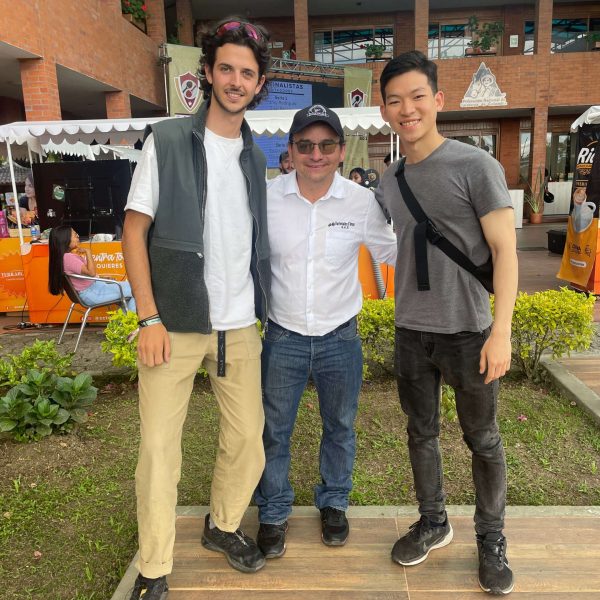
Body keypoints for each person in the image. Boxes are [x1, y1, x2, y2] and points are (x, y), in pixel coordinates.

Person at [121, 17, 272, 600]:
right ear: (207, 73)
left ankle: (223, 524)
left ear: (259, 85)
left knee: (248, 440)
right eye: (227, 68)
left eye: (248, 73)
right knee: (160, 449)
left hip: (239, 325)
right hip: (174, 326)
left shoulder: (257, 159)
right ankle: (155, 566)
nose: (236, 81)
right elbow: (135, 233)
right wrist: (148, 317)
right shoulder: (166, 142)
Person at [376, 51, 518, 595]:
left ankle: (492, 538)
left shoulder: (475, 166)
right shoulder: (390, 179)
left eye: (417, 97)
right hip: (412, 329)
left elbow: (505, 252)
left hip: (468, 331)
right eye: (395, 100)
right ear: (386, 110)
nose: (406, 109)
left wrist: (500, 331)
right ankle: (434, 522)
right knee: (421, 433)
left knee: (482, 439)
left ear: (437, 101)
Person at [254, 104, 397, 559]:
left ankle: (334, 502)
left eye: (326, 145)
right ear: (291, 152)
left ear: (340, 152)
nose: (316, 154)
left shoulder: (361, 202)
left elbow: (394, 253)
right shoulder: (265, 197)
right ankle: (274, 511)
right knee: (273, 430)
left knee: (340, 426)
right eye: (306, 145)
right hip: (283, 337)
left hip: (341, 337)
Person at [48, 225, 136, 312]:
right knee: (135, 290)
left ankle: (124, 324)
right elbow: (91, 273)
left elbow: (86, 277)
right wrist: (88, 252)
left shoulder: (64, 257)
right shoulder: (68, 258)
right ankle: (128, 324)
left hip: (94, 289)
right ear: (65, 239)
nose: (78, 236)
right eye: (75, 235)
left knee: (133, 289)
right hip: (92, 293)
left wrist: (101, 278)